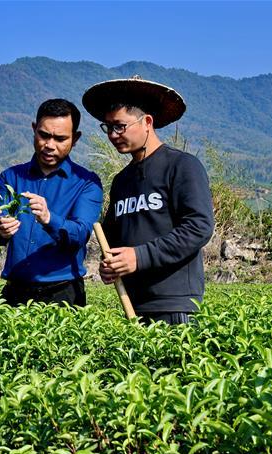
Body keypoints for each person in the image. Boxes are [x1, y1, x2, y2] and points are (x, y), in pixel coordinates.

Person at [81, 76, 215, 324]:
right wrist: (110, 263)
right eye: (108, 127)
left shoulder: (182, 166)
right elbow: (113, 237)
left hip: (174, 305)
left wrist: (139, 257)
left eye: (120, 126)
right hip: (132, 304)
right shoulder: (122, 180)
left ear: (147, 122)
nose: (112, 135)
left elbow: (199, 227)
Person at [0, 99, 103, 307]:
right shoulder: (11, 177)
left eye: (60, 139)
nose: (49, 145)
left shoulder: (87, 183)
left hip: (63, 294)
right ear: (34, 129)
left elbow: (81, 233)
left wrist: (49, 219)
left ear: (75, 139)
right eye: (44, 135)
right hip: (15, 291)